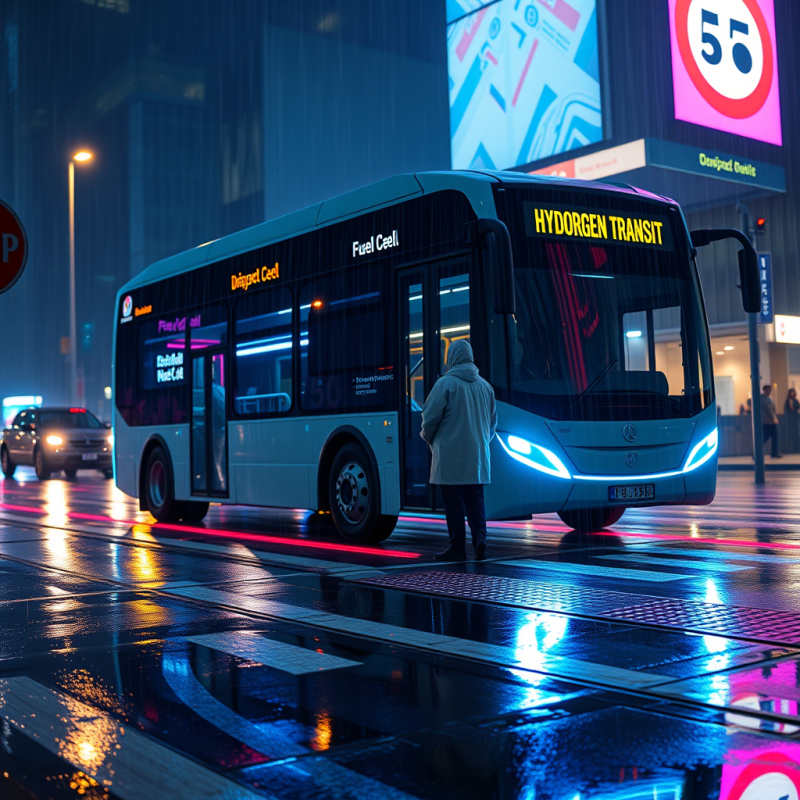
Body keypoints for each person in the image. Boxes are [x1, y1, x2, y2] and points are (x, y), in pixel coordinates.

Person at [420, 340, 497, 562]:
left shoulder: (445, 384)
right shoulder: (486, 387)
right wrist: (479, 443)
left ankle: (457, 547)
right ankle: (480, 539)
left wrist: (427, 437)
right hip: (477, 456)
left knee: (453, 501)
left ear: (452, 357)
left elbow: (429, 418)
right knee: (475, 499)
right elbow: (492, 424)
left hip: (450, 455)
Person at [761, 384, 782, 458]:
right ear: (765, 390)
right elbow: (768, 409)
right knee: (765, 437)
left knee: (775, 436)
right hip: (768, 421)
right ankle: (756, 452)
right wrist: (774, 418)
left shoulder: (768, 398)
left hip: (772, 421)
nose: (770, 391)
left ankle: (774, 452)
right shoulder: (762, 398)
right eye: (769, 390)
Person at [785, 387, 800, 453]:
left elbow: (798, 407)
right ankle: (790, 448)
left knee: (796, 433)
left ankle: (796, 448)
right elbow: (786, 409)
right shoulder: (787, 401)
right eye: (791, 392)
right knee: (790, 433)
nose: (792, 393)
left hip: (795, 417)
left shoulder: (795, 400)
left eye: (793, 392)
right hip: (790, 418)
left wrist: (794, 409)